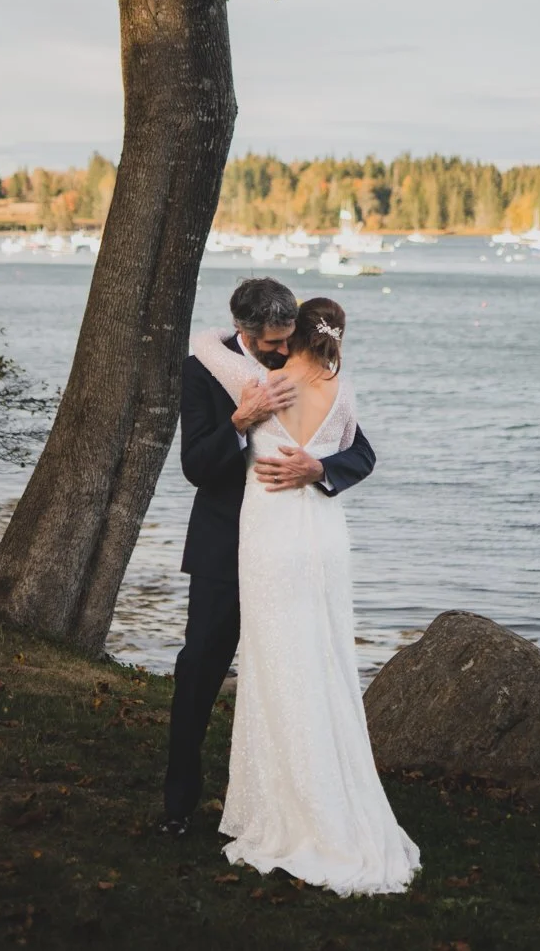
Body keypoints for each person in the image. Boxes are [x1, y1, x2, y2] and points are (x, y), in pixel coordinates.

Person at [185, 293, 420, 896]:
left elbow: (201, 344)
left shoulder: (264, 383)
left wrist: (320, 471)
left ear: (294, 337)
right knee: (315, 664)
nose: (276, 342)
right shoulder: (342, 392)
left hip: (273, 544)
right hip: (316, 546)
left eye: (285, 334)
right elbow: (345, 442)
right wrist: (311, 460)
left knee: (279, 669)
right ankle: (316, 797)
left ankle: (288, 809)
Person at [162, 277, 376, 837]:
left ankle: (291, 796)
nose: (285, 351)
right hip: (223, 549)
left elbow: (360, 449)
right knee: (200, 672)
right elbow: (195, 468)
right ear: (244, 331)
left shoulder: (305, 368)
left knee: (291, 670)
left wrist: (321, 470)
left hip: (289, 548)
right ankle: (178, 805)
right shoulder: (206, 371)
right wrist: (239, 422)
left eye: (290, 338)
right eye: (274, 343)